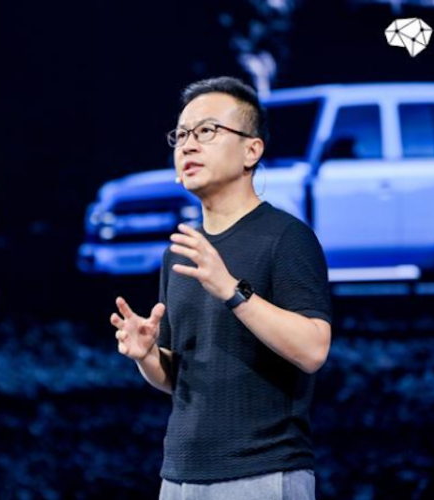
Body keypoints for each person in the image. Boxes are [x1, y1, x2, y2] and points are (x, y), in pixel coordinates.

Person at [110, 76, 332, 500]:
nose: (188, 146)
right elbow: (178, 376)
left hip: (262, 471)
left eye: (207, 131)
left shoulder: (286, 238)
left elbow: (313, 349)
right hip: (179, 476)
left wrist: (232, 289)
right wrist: (147, 355)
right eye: (181, 135)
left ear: (252, 150)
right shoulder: (180, 253)